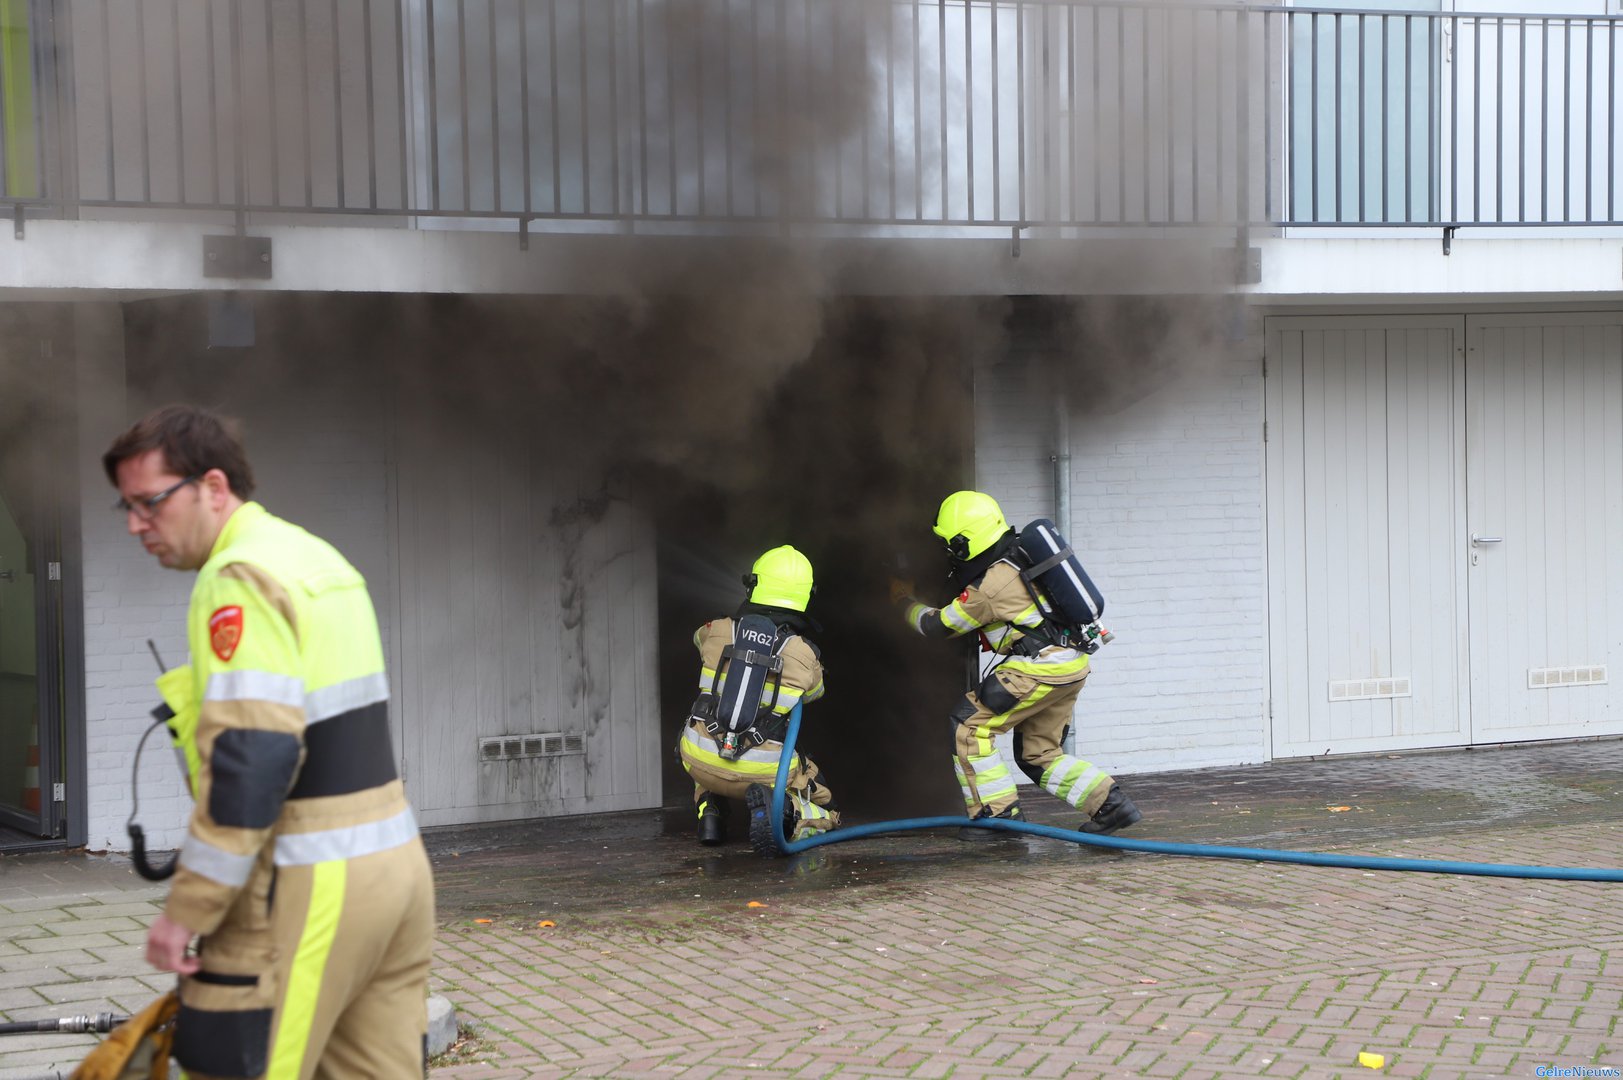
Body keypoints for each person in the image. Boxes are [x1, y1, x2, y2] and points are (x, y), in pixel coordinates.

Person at [104, 404, 434, 1079]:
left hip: (303, 887)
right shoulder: (315, 557)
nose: (137, 524)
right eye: (126, 508)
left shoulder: (238, 579)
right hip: (395, 873)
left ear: (214, 487)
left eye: (150, 503)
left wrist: (187, 909)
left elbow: (254, 760)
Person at [897, 490, 1141, 837]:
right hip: (1069, 664)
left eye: (952, 545)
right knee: (1039, 753)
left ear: (966, 543)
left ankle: (998, 816)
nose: (950, 552)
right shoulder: (1020, 559)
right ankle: (1111, 806)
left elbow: (936, 626)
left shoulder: (991, 585)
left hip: (1037, 667)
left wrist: (903, 602)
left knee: (968, 728)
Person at [677, 545, 839, 856]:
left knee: (707, 743)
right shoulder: (804, 653)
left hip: (698, 757)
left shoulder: (717, 630)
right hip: (765, 772)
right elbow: (816, 693)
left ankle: (709, 812)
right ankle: (786, 812)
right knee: (827, 806)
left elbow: (698, 640)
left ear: (754, 584)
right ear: (806, 594)